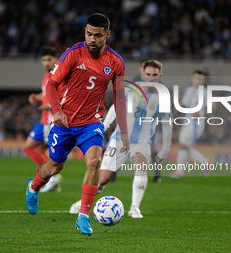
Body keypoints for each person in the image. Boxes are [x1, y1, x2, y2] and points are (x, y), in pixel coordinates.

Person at [25, 13, 130, 236]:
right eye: (89, 34)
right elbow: (52, 84)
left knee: (94, 161)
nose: (92, 39)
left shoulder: (115, 62)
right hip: (64, 122)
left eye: (98, 35)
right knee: (55, 167)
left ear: (107, 35)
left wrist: (125, 132)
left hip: (91, 122)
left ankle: (83, 216)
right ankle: (33, 187)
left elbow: (119, 97)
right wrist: (57, 110)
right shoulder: (73, 54)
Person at [70, 60, 173, 218]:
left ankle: (134, 208)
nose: (151, 78)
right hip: (119, 140)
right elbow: (115, 108)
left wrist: (165, 148)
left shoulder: (163, 98)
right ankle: (82, 203)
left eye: (154, 75)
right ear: (143, 75)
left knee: (141, 168)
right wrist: (103, 127)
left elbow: (167, 125)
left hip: (142, 143)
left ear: (160, 76)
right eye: (148, 74)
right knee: (103, 178)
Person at [23, 47, 62, 192]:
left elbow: (63, 97)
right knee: (39, 150)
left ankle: (52, 177)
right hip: (45, 119)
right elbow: (47, 94)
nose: (46, 63)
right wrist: (37, 97)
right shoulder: (47, 76)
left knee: (29, 147)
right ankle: (49, 178)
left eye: (49, 60)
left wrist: (47, 105)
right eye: (44, 60)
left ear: (55, 60)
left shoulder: (57, 75)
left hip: (49, 121)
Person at [170, 70, 210, 178]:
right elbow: (183, 105)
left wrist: (200, 112)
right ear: (192, 78)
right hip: (187, 121)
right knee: (184, 146)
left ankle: (179, 172)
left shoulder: (205, 92)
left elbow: (212, 108)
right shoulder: (188, 90)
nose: (198, 80)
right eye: (196, 78)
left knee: (183, 145)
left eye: (201, 78)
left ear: (203, 80)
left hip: (197, 123)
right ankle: (205, 163)